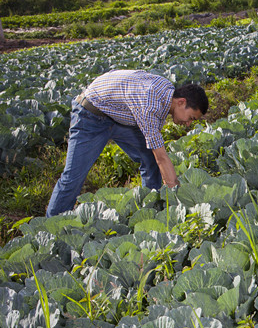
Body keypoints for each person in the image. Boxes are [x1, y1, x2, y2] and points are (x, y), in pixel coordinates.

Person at [46, 70, 208, 217]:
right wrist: (176, 196)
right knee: (73, 176)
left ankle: (151, 209)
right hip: (90, 115)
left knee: (149, 159)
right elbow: (161, 157)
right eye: (191, 118)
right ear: (181, 102)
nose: (188, 124)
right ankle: (52, 223)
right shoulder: (149, 104)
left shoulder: (166, 91)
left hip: (118, 116)